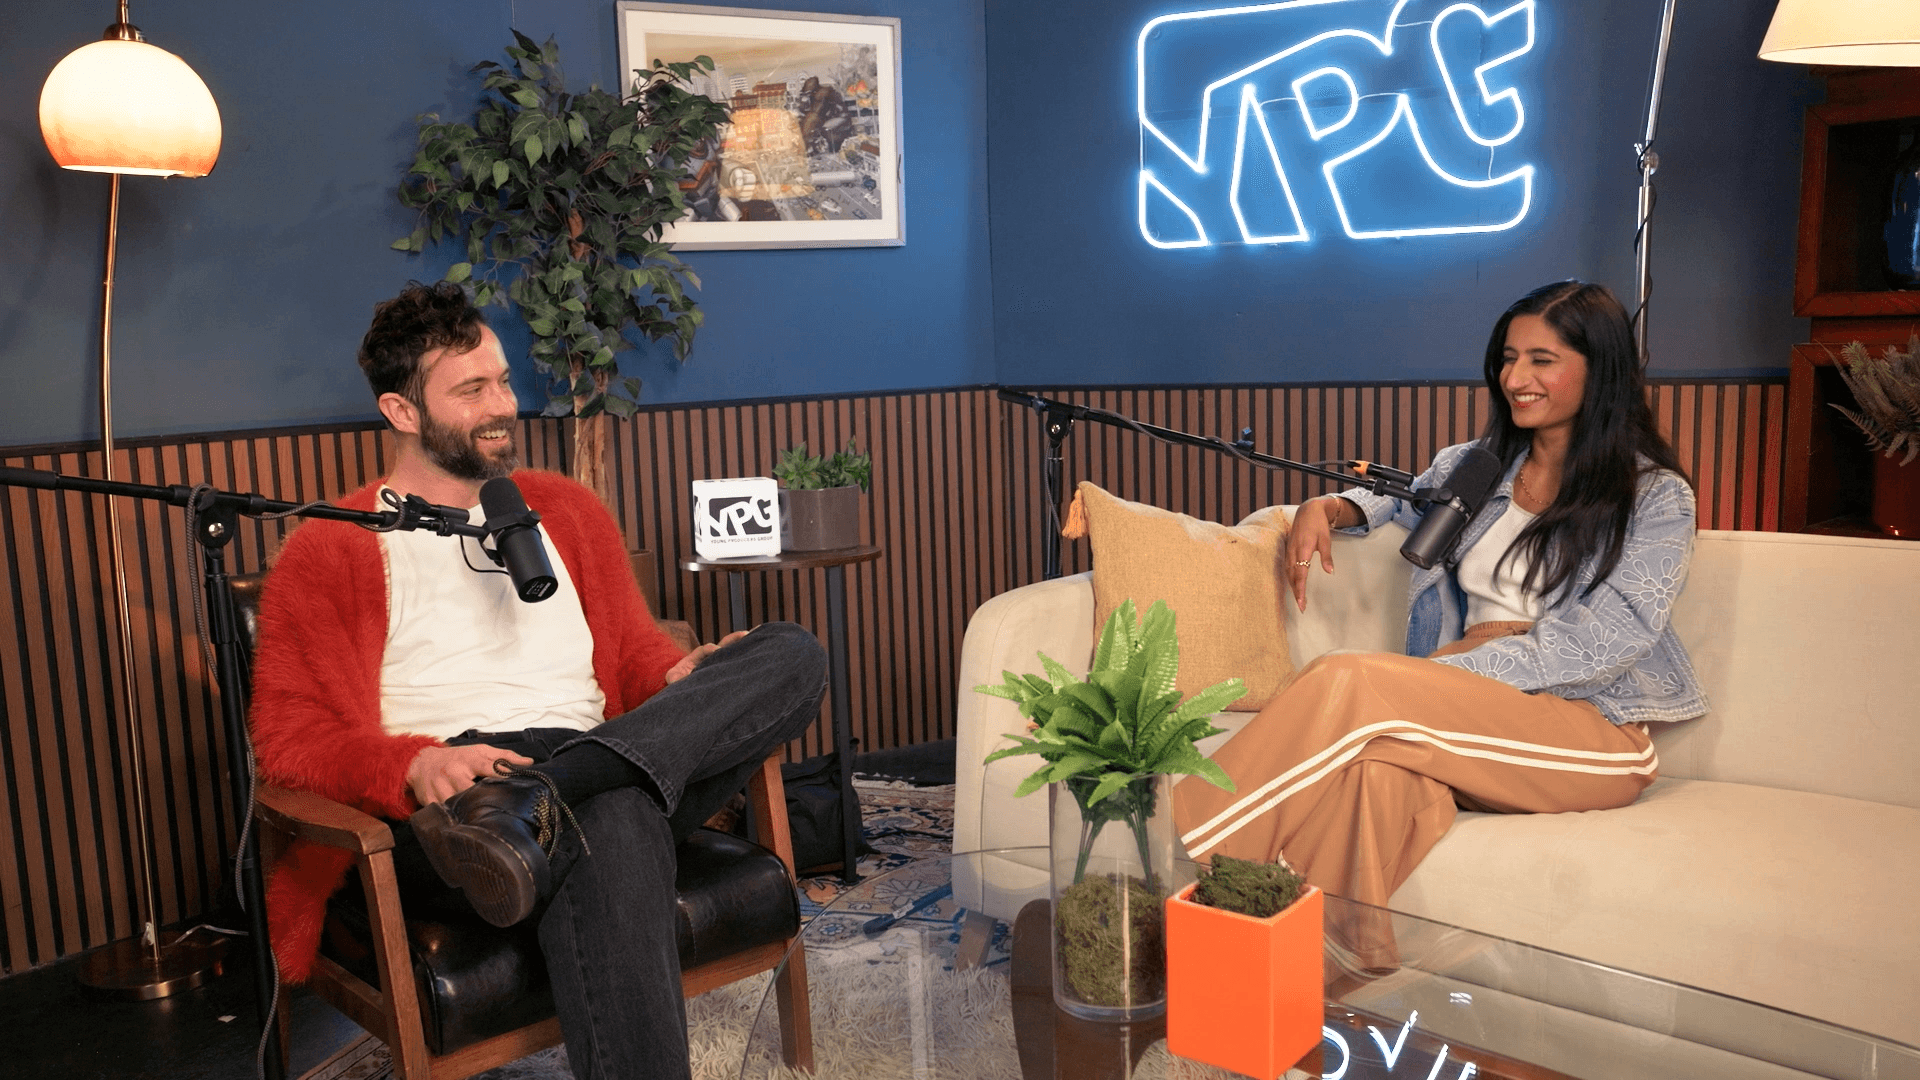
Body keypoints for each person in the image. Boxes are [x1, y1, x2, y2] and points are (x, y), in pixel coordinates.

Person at [249, 281, 826, 1080]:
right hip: (460, 812)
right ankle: (560, 791)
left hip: (586, 752)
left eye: (504, 380)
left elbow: (631, 655)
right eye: (472, 389)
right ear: (402, 412)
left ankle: (555, 788)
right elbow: (289, 741)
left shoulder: (564, 510)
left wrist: (677, 675)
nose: (503, 405)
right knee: (618, 814)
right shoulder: (333, 547)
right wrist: (413, 764)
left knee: (791, 651)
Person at [1172, 280, 1706, 965]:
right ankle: (1332, 975)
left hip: (1591, 727)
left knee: (1352, 682)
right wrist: (1333, 508)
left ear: (1599, 368)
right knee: (1375, 778)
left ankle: (1179, 861)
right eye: (1508, 358)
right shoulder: (1477, 466)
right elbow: (1403, 497)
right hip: (1463, 708)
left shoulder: (1656, 495)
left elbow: (1611, 637)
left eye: (1542, 360)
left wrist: (1443, 672)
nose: (1516, 378)